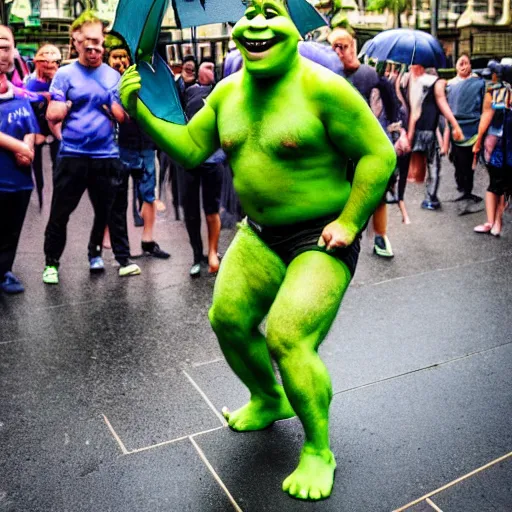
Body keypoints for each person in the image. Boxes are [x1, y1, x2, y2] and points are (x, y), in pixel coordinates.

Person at [121, 0, 396, 500]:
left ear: (297, 27)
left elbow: (379, 153)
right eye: (249, 13)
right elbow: (188, 148)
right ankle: (269, 397)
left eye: (271, 11)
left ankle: (318, 450)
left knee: (288, 336)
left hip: (321, 235)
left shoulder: (325, 89)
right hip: (260, 233)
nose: (257, 24)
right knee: (226, 318)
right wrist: (140, 110)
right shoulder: (227, 92)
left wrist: (352, 221)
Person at [43, 11, 139, 284]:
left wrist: (120, 103)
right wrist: (67, 112)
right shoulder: (64, 74)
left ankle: (112, 257)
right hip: (73, 155)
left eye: (99, 41)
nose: (95, 47)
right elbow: (52, 113)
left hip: (106, 155)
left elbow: (122, 115)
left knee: (109, 211)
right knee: (61, 212)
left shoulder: (112, 76)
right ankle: (51, 263)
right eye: (89, 41)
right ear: (77, 41)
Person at [329, 27, 398, 258]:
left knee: (376, 193)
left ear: (353, 47)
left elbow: (391, 103)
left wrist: (398, 133)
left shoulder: (368, 74)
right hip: (337, 147)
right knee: (340, 193)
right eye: (334, 47)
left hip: (366, 145)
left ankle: (380, 236)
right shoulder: (326, 76)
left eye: (343, 46)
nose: (339, 52)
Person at [105, 35, 170, 260]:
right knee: (116, 195)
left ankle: (148, 241)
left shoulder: (142, 79)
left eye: (123, 57)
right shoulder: (108, 81)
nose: (120, 61)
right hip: (119, 146)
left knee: (148, 194)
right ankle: (115, 242)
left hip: (145, 147)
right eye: (116, 57)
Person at [0, 25, 39, 294]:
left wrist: (27, 147)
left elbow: (30, 128)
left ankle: (4, 272)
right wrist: (19, 147)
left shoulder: (18, 94)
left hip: (19, 181)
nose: (2, 52)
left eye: (6, 46)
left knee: (11, 232)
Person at [399, 63, 464, 210]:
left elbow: (413, 115)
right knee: (433, 166)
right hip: (428, 132)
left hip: (417, 131)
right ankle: (430, 197)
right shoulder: (434, 90)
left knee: (408, 163)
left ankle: (399, 193)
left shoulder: (415, 88)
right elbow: (443, 118)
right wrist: (448, 135)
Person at [183, 60, 224, 277]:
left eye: (212, 67)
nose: (209, 70)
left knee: (211, 209)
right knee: (191, 212)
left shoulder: (221, 92)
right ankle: (196, 255)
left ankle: (213, 252)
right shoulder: (187, 91)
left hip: (213, 160)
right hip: (189, 160)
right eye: (206, 67)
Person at [473, 61, 511, 237]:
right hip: (497, 146)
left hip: (499, 145)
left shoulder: (495, 92)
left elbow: (486, 117)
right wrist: (479, 141)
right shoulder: (494, 92)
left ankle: (496, 220)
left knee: (500, 184)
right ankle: (494, 221)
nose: (492, 78)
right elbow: (486, 116)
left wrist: (479, 141)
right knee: (498, 184)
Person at [446, 54, 486, 213]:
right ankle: (463, 189)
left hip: (472, 128)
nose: (463, 65)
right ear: (455, 66)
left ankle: (467, 192)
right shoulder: (449, 85)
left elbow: (484, 106)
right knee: (456, 160)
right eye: (460, 62)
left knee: (468, 162)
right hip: (454, 129)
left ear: (470, 66)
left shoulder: (478, 84)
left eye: (466, 62)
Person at [24, 44, 62, 209]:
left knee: (58, 168)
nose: (48, 63)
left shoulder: (60, 80)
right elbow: (25, 107)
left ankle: (55, 201)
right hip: (36, 130)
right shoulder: (30, 82)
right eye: (44, 59)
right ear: (36, 62)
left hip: (56, 130)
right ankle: (40, 199)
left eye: (53, 61)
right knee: (37, 168)